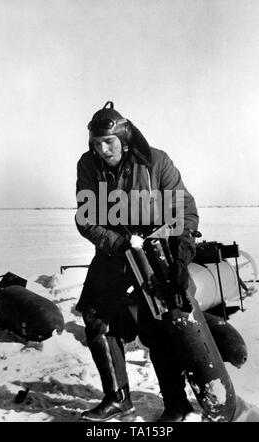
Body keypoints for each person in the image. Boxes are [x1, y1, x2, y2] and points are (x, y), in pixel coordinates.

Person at [74, 101, 199, 422]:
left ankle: (177, 403)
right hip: (115, 250)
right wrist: (118, 243)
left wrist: (180, 261)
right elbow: (86, 218)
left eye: (109, 142)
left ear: (125, 138)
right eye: (96, 143)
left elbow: (183, 211)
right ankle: (117, 398)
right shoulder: (88, 166)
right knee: (94, 316)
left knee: (157, 326)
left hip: (156, 251)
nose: (102, 149)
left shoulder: (156, 161)